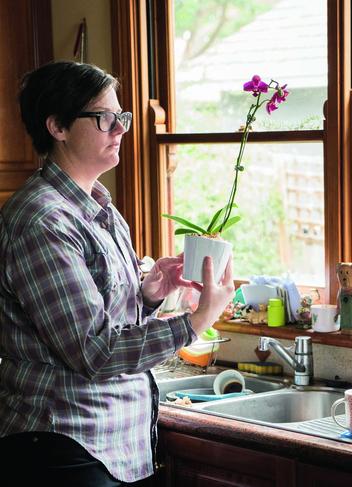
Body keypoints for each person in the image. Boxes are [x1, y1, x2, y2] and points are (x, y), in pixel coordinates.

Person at [0, 61, 235, 485]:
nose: (121, 129)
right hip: (64, 448)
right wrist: (196, 322)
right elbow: (95, 350)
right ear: (58, 126)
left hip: (113, 446)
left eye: (121, 117)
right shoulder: (42, 221)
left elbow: (100, 321)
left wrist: (145, 296)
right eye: (105, 118)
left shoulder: (101, 209)